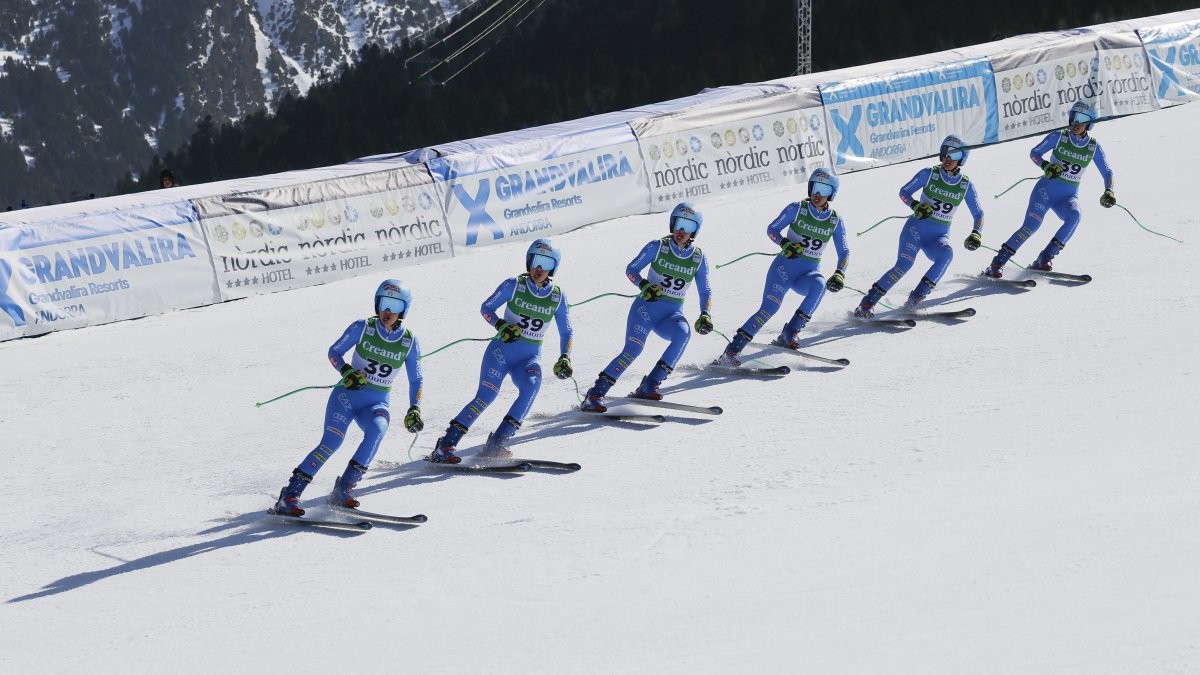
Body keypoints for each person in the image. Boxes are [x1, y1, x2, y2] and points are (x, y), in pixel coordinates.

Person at [273, 280, 424, 515]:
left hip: (376, 402)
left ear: (403, 310)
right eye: (384, 304)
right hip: (346, 397)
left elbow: (417, 380)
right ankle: (290, 495)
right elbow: (334, 352)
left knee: (378, 430)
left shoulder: (409, 341)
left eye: (395, 306)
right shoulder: (362, 327)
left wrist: (414, 407)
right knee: (332, 442)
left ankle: (345, 488)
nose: (388, 311)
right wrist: (346, 371)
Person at [429, 239, 574, 463]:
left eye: (545, 263)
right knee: (486, 396)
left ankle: (498, 442)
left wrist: (565, 356)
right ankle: (446, 444)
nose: (539, 268)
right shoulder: (513, 285)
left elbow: (567, 331)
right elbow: (486, 308)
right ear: (528, 261)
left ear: (553, 267)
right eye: (535, 261)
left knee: (532, 387)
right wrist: (501, 325)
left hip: (528, 358)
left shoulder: (557, 295)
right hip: (500, 353)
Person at [579, 202, 713, 412]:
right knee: (633, 350)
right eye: (679, 224)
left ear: (695, 230)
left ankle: (651, 384)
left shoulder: (698, 257)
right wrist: (644, 285)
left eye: (688, 226)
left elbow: (705, 291)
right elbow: (631, 269)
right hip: (644, 310)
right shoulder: (657, 246)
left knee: (683, 334)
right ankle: (595, 394)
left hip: (670, 315)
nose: (682, 230)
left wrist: (706, 314)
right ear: (672, 224)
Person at [716, 168, 850, 365]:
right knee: (769, 309)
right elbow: (772, 229)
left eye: (823, 189)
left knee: (819, 285)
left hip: (807, 274)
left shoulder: (835, 220)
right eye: (815, 187)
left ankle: (790, 332)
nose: (817, 194)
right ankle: (732, 351)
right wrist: (784, 243)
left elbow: (844, 252)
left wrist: (840, 272)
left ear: (832, 193)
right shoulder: (797, 208)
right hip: (783, 271)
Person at [855, 135, 985, 317]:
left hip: (938, 237)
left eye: (954, 155)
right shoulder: (928, 173)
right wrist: (915, 205)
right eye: (946, 152)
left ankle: (915, 300)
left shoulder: (965, 185)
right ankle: (867, 304)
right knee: (904, 265)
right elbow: (904, 192)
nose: (948, 158)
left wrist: (976, 233)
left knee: (946, 255)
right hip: (915, 231)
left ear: (962, 159)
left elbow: (979, 213)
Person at [983, 101, 1115, 277]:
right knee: (1031, 226)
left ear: (1089, 124)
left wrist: (1109, 191)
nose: (1076, 122)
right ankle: (997, 262)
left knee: (1075, 216)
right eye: (1074, 117)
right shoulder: (1059, 136)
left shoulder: (1093, 147)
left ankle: (1045, 257)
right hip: (1044, 192)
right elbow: (1034, 153)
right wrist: (1046, 166)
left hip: (1066, 197)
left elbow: (1107, 172)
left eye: (1082, 119)